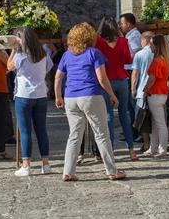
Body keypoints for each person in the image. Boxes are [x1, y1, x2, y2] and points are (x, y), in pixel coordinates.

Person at [55, 22, 126, 181]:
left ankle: (68, 171)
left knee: (74, 135)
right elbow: (102, 78)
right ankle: (112, 171)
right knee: (102, 134)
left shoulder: (67, 55)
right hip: (91, 96)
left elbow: (58, 77)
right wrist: (112, 95)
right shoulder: (94, 53)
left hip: (71, 97)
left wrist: (58, 96)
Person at [7, 27, 53, 176]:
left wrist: (14, 50)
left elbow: (9, 66)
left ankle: (26, 164)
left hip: (24, 94)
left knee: (25, 131)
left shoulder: (20, 56)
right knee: (41, 130)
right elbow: (47, 69)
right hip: (40, 94)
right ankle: (45, 163)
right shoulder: (43, 54)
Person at [95, 17, 137, 161]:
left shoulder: (99, 42)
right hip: (121, 79)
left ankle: (110, 151)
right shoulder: (123, 41)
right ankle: (131, 151)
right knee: (124, 116)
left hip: (107, 80)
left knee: (108, 117)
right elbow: (128, 60)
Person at [142, 34, 169, 157]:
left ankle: (161, 149)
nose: (150, 45)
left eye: (152, 43)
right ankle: (154, 147)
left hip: (155, 93)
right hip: (161, 92)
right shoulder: (165, 60)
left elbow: (151, 79)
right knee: (156, 122)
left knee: (159, 123)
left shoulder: (157, 61)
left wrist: (144, 91)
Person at [130, 31, 155, 153]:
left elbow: (135, 73)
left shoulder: (139, 55)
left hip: (142, 89)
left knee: (142, 118)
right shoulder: (158, 53)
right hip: (156, 90)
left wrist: (133, 88)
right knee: (156, 118)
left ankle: (146, 144)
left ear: (145, 41)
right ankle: (156, 143)